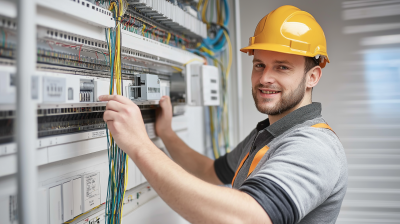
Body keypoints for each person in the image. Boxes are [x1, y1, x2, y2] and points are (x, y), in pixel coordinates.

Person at [100, 5, 348, 224]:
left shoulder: (314, 147)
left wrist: (139, 145)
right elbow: (210, 171)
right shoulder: (269, 133)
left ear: (312, 77)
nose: (264, 78)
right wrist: (165, 133)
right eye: (259, 65)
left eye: (282, 67)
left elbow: (244, 219)